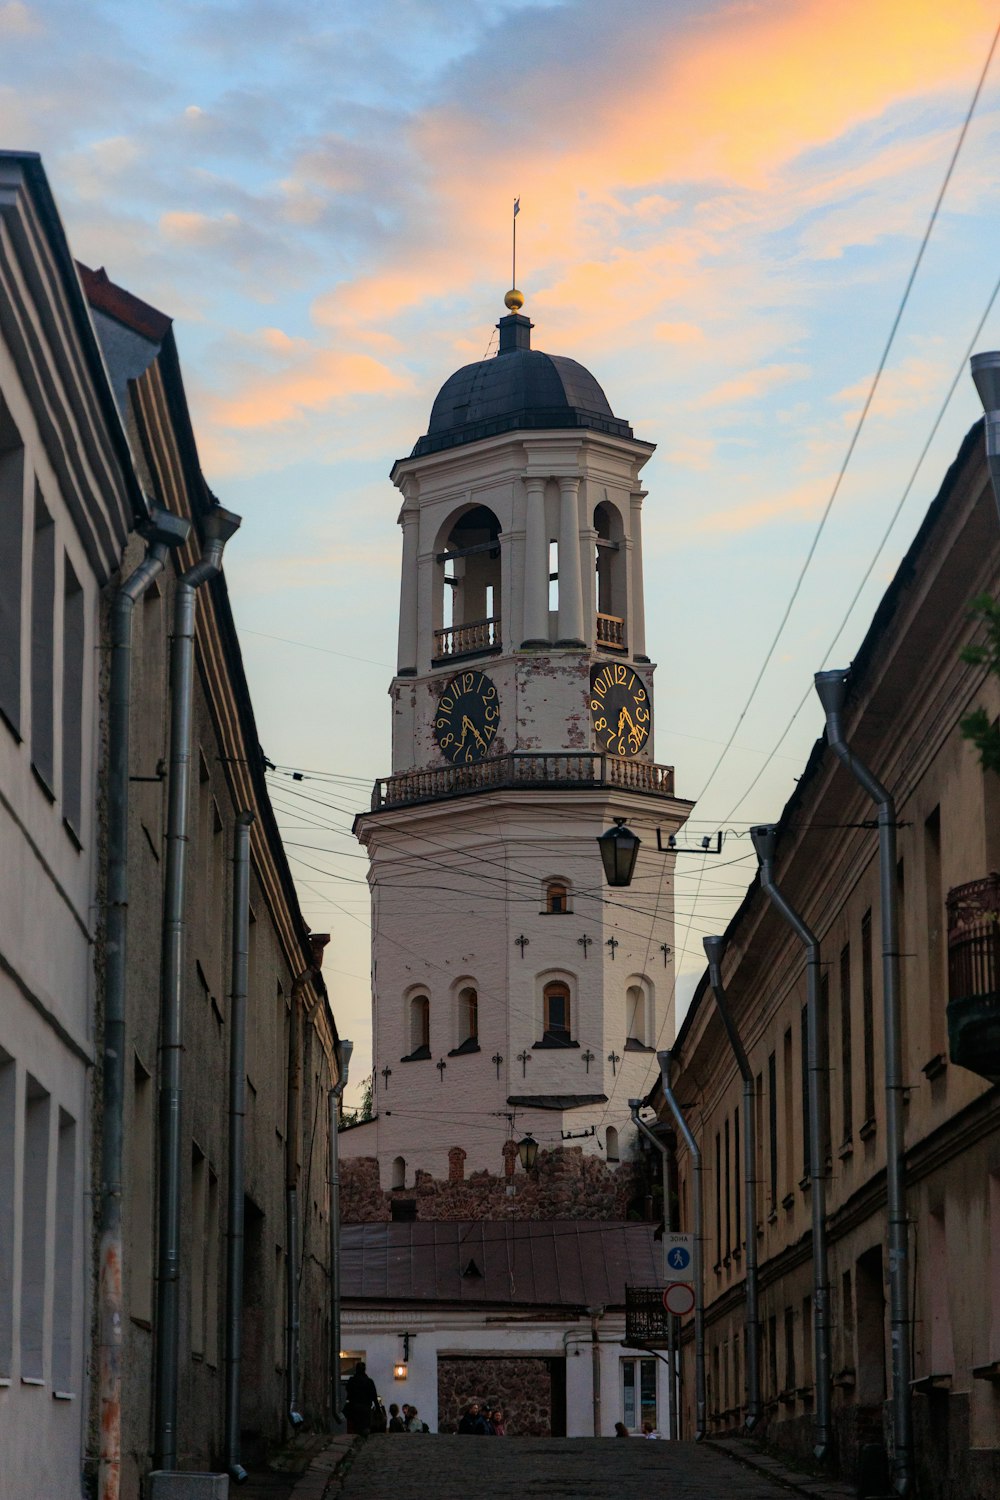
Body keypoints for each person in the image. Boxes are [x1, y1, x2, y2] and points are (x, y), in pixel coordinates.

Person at [344, 1360, 379, 1435]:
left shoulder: (352, 1381)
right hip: (366, 1408)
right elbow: (374, 1396)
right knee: (365, 1427)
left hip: (354, 1407)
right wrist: (378, 1409)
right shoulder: (369, 1381)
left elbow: (348, 1392)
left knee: (355, 1428)